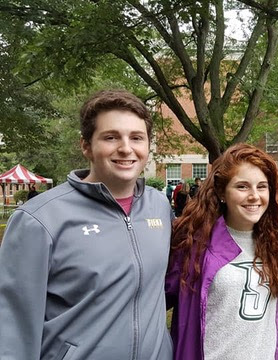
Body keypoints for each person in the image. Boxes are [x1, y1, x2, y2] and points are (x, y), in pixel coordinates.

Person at [0, 90, 173, 359]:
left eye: (136, 138)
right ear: (86, 146)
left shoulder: (160, 207)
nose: (126, 148)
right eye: (111, 137)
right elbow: (13, 329)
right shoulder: (39, 220)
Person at [165, 143, 278, 360]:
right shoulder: (194, 246)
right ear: (222, 192)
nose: (254, 196)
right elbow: (153, 302)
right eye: (242, 187)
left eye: (262, 186)